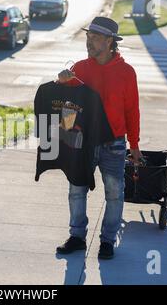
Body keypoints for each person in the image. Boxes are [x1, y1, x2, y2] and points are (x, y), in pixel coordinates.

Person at [56, 16, 142, 259]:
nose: (89, 42)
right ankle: (77, 237)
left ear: (109, 41)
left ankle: (107, 241)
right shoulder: (80, 68)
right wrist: (65, 132)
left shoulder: (126, 72)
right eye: (88, 37)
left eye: (94, 38)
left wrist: (134, 145)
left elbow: (132, 111)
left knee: (115, 193)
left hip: (114, 143)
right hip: (83, 143)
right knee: (76, 190)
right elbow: (68, 105)